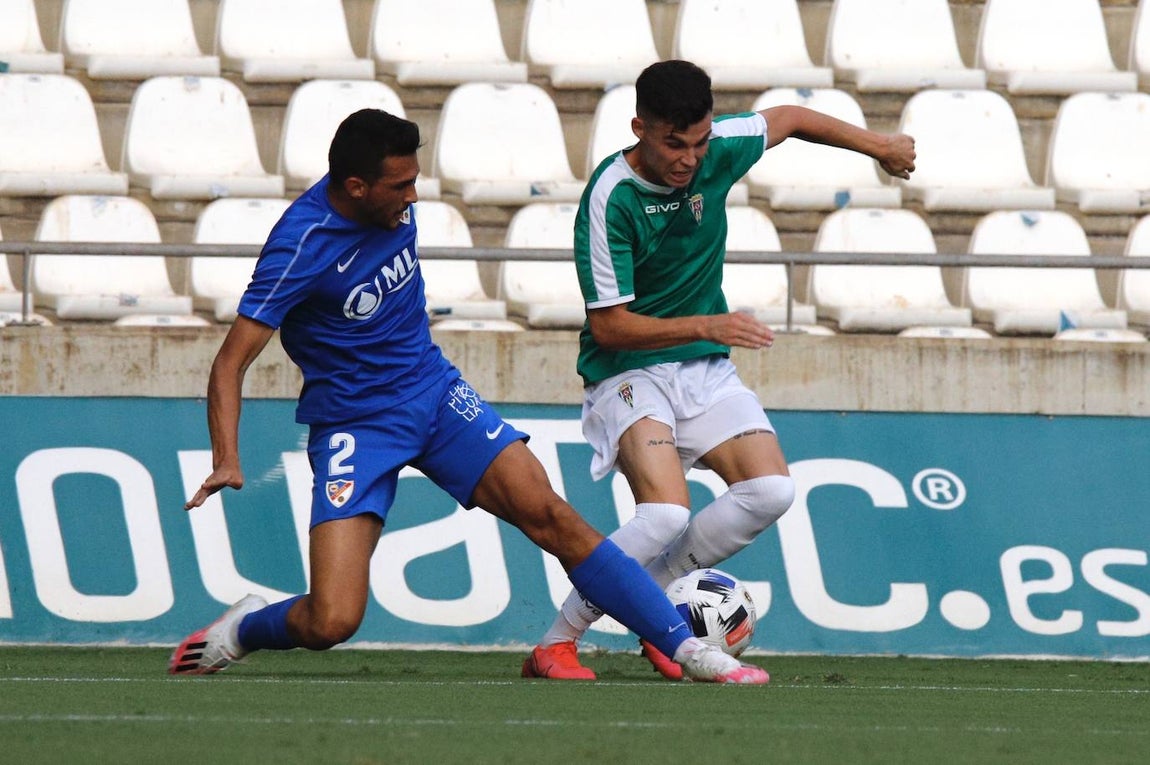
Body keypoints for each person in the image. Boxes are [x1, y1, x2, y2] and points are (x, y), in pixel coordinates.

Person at [170, 108, 768, 685]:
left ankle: (691, 651)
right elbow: (230, 363)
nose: (413, 198)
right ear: (355, 187)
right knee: (332, 619)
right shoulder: (300, 246)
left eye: (415, 181)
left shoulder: (389, 205)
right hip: (357, 425)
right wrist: (226, 456)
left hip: (435, 392)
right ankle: (243, 630)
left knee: (553, 516)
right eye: (400, 186)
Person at [521, 60, 917, 681]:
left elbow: (789, 118)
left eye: (700, 142)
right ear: (640, 129)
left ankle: (651, 606)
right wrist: (708, 324)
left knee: (771, 491)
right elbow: (610, 326)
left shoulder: (717, 152)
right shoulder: (611, 198)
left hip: (703, 369)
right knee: (665, 517)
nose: (689, 159)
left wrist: (880, 147)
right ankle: (557, 641)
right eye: (673, 144)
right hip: (628, 373)